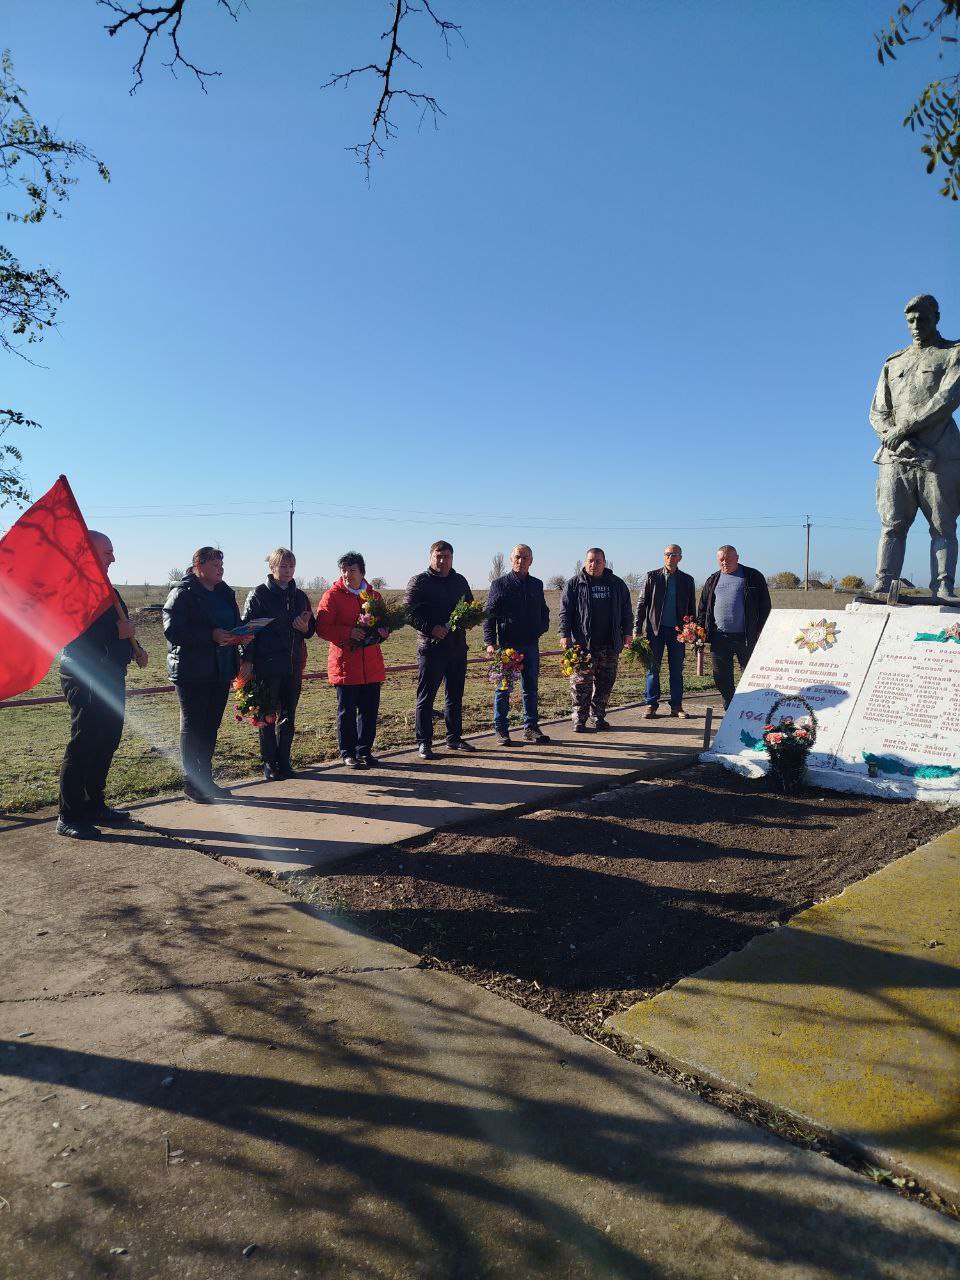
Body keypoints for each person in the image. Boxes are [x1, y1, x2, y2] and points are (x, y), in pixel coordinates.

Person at [57, 531, 149, 840]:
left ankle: (94, 803)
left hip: (112, 675)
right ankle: (69, 815)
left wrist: (134, 648)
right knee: (85, 741)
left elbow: (120, 629)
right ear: (89, 553)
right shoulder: (74, 589)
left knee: (107, 739)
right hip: (83, 674)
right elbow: (71, 637)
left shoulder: (108, 589)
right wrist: (117, 635)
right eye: (107, 552)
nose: (113, 557)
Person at [870, 293, 960, 600]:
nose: (916, 324)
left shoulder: (952, 353)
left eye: (922, 318)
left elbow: (947, 398)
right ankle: (883, 584)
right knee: (891, 525)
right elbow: (878, 411)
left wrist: (904, 429)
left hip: (939, 455)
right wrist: (895, 438)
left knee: (942, 526)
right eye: (911, 320)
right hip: (895, 457)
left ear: (936, 317)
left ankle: (944, 588)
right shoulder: (894, 362)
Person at [163, 547, 249, 802]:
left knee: (210, 727)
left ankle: (206, 779)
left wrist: (240, 637)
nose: (220, 568)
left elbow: (231, 624)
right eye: (214, 564)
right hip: (192, 671)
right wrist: (209, 635)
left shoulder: (224, 593)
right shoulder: (182, 593)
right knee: (194, 727)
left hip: (221, 669)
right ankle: (192, 783)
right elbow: (173, 631)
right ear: (198, 566)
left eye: (222, 563)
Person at [239, 547, 315, 780]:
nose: (288, 571)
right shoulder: (259, 595)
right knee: (267, 716)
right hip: (268, 664)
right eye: (283, 566)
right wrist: (248, 661)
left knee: (288, 716)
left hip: (294, 664)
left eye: (291, 566)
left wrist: (306, 629)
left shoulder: (300, 596)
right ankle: (269, 763)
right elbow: (248, 631)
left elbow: (311, 628)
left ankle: (285, 761)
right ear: (272, 568)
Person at [406, 540, 475, 760]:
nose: (442, 560)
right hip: (431, 649)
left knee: (455, 696)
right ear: (430, 557)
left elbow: (470, 607)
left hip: (457, 648)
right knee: (426, 698)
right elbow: (409, 613)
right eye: (438, 556)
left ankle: (454, 737)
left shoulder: (460, 581)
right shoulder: (419, 582)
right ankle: (424, 742)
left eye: (446, 556)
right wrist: (431, 628)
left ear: (452, 558)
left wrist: (469, 619)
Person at [316, 552, 386, 769]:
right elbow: (322, 628)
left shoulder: (374, 597)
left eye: (352, 570)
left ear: (362, 572)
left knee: (369, 710)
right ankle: (348, 752)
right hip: (345, 664)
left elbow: (385, 624)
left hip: (371, 665)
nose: (347, 574)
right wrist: (349, 633)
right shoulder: (332, 596)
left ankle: (364, 750)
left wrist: (381, 633)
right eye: (343, 570)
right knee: (346, 713)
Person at [558, 548, 633, 733]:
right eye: (591, 561)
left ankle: (598, 715)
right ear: (585, 562)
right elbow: (565, 611)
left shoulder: (616, 584)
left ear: (604, 562)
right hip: (582, 645)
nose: (594, 564)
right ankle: (579, 719)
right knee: (581, 685)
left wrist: (628, 633)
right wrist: (564, 634)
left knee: (605, 682)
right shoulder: (575, 584)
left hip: (610, 643)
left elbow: (626, 611)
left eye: (598, 561)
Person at [483, 543, 551, 746]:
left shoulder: (537, 584)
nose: (521, 561)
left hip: (531, 645)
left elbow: (544, 610)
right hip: (507, 646)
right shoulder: (500, 584)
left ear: (531, 561)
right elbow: (489, 616)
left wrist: (540, 628)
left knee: (530, 687)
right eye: (517, 557)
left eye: (526, 558)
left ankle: (531, 727)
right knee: (503, 689)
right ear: (511, 559)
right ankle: (501, 729)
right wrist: (490, 642)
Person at [697, 545, 771, 710]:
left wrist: (760, 630)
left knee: (751, 675)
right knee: (721, 677)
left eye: (728, 559)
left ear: (737, 558)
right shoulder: (712, 580)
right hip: (719, 638)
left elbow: (765, 606)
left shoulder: (753, 576)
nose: (724, 563)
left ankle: (753, 708)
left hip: (746, 637)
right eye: (721, 559)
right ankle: (730, 708)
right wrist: (701, 631)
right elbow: (703, 608)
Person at [635, 543, 697, 720]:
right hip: (655, 631)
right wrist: (636, 628)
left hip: (679, 633)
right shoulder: (651, 577)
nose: (671, 557)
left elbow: (691, 607)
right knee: (652, 669)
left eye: (675, 554)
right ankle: (651, 705)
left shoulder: (687, 580)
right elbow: (641, 604)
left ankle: (676, 706)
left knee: (676, 670)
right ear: (664, 557)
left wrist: (691, 629)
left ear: (680, 558)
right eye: (668, 554)